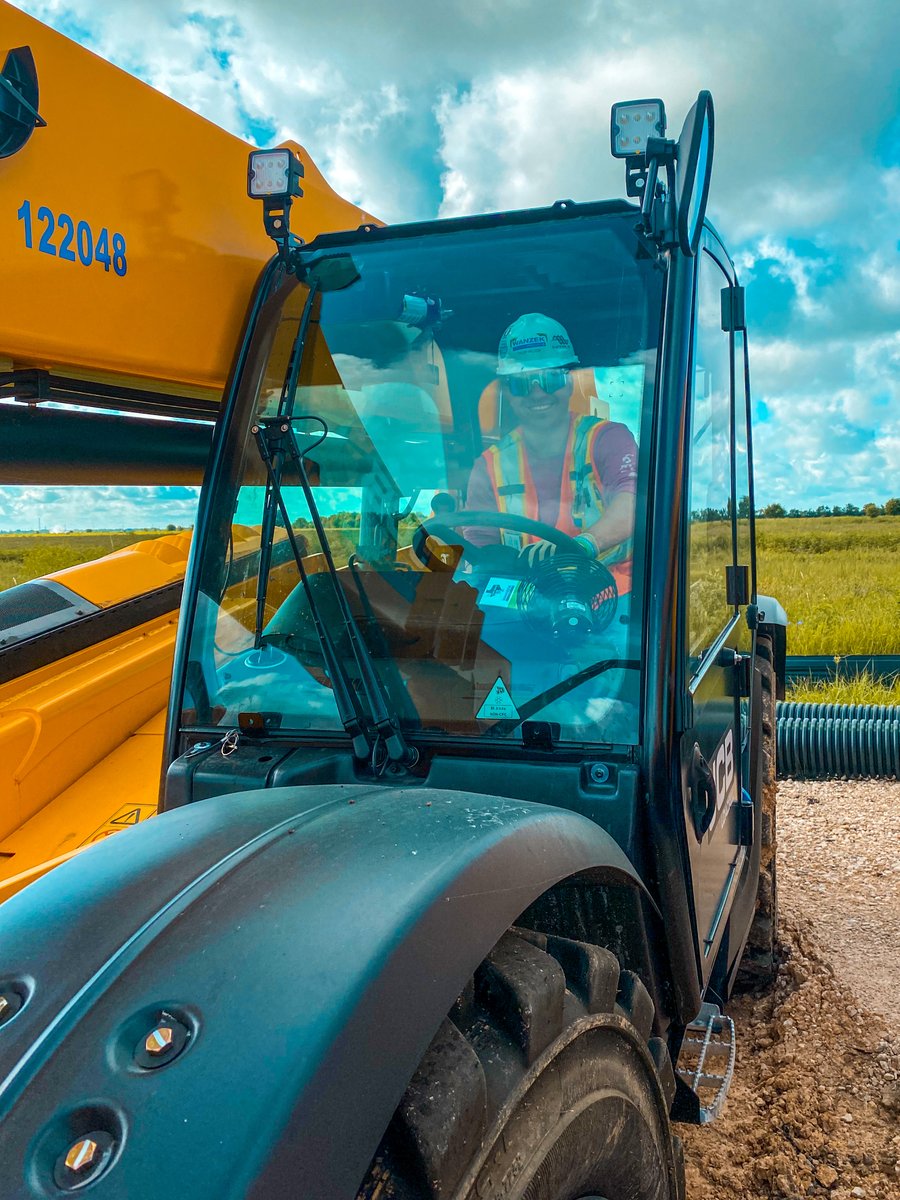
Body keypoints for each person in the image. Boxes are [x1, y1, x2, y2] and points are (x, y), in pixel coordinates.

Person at [464, 313, 637, 594]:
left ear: (569, 383)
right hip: (527, 607)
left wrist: (583, 545)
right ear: (507, 393)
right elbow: (482, 549)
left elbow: (632, 505)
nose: (537, 394)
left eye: (550, 379)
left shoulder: (608, 440)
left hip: (614, 609)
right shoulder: (488, 466)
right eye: (521, 383)